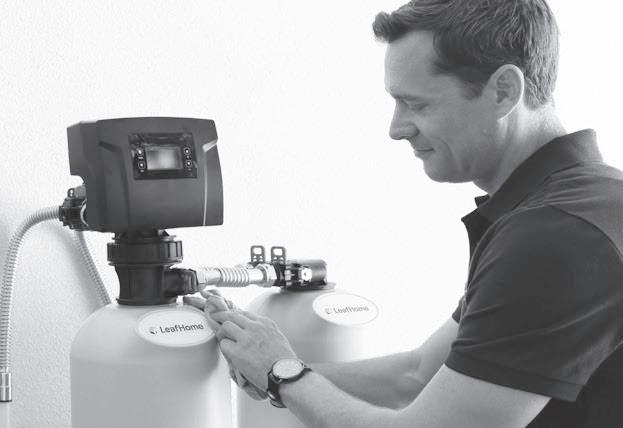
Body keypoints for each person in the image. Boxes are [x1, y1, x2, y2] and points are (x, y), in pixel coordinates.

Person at [185, 0, 623, 426]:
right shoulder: (589, 206)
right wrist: (265, 362)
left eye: (417, 104)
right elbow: (415, 375)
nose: (396, 129)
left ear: (504, 91)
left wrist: (283, 375)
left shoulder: (554, 235)